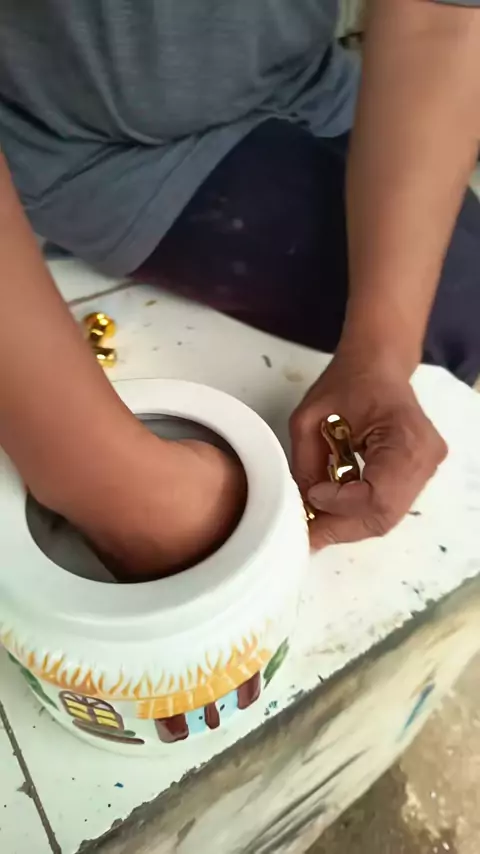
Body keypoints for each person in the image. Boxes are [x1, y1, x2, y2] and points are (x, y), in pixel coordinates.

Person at [0, 0, 479, 581]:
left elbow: (438, 20)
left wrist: (381, 353)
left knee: (461, 307)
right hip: (85, 147)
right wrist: (100, 480)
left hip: (303, 83)